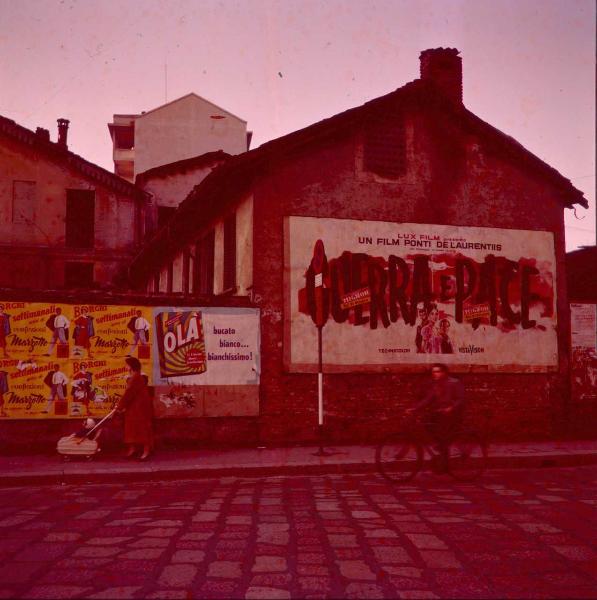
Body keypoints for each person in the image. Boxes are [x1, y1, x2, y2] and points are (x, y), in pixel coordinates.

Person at [406, 363, 465, 470]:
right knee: (425, 422)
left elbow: (461, 399)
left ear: (445, 373)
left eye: (438, 371)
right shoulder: (436, 385)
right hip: (440, 412)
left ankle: (444, 460)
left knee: (444, 434)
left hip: (453, 414)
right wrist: (414, 408)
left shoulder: (455, 383)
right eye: (433, 372)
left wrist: (451, 408)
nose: (435, 374)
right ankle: (440, 447)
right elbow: (428, 399)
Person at [116, 356, 153, 460]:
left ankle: (146, 450)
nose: (126, 367)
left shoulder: (135, 377)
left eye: (127, 365)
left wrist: (120, 406)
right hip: (134, 406)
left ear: (131, 366)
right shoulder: (135, 376)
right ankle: (133, 449)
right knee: (132, 427)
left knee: (141, 428)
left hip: (139, 407)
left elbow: (129, 393)